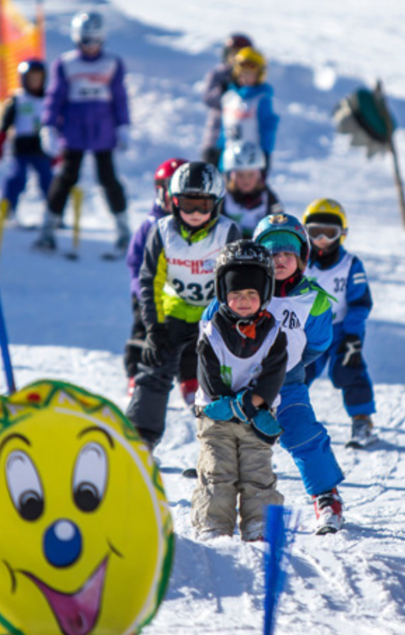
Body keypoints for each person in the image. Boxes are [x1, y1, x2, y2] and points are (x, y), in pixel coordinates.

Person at [233, 213, 346, 534]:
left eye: (288, 254)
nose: (280, 259)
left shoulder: (314, 299)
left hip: (287, 382)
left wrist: (291, 363)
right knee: (229, 438)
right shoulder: (242, 291)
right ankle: (215, 482)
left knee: (303, 433)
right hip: (240, 383)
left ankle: (326, 497)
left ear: (302, 257)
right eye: (271, 253)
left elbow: (318, 343)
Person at [126, 162, 242, 449]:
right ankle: (140, 441)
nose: (194, 214)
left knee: (222, 379)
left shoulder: (227, 232)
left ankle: (222, 450)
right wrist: (153, 328)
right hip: (175, 313)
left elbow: (236, 281)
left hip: (213, 316)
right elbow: (149, 281)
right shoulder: (162, 231)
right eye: (187, 205)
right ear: (173, 201)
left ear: (216, 204)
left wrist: (233, 323)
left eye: (202, 205)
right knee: (154, 367)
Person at [191, 240, 288, 541]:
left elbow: (273, 377)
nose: (244, 300)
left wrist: (251, 403)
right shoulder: (212, 331)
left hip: (256, 416)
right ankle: (214, 523)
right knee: (218, 471)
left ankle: (259, 524)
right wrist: (227, 404)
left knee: (256, 472)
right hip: (216, 416)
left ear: (265, 294)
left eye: (251, 294)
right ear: (223, 293)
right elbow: (208, 376)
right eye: (235, 294)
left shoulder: (274, 334)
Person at [39, 11, 131, 253]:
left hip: (103, 129)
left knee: (108, 178)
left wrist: (123, 125)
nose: (90, 47)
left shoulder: (112, 63)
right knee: (66, 176)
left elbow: (119, 97)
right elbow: (55, 97)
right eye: (85, 41)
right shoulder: (66, 63)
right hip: (74, 129)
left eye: (95, 41)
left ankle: (123, 228)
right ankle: (48, 227)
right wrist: (48, 125)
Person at [302, 199, 378, 447]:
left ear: (342, 234)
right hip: (307, 332)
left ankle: (362, 420)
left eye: (330, 232)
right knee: (295, 374)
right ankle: (278, 416)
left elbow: (360, 303)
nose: (322, 238)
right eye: (315, 232)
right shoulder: (299, 264)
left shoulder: (351, 265)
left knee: (349, 370)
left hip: (340, 331)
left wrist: (353, 336)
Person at [124, 157, 189, 395]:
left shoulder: (198, 226)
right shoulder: (151, 225)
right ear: (160, 193)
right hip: (149, 293)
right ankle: (135, 374)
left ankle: (189, 378)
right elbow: (134, 261)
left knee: (187, 336)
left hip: (183, 295)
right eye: (172, 194)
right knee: (144, 331)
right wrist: (141, 290)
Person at [0, 59, 53, 226]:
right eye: (31, 78)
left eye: (38, 78)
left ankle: (53, 212)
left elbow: (55, 124)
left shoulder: (48, 100)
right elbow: (6, 122)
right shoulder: (18, 99)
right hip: (21, 146)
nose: (35, 82)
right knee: (17, 178)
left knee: (48, 179)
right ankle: (7, 210)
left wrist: (57, 150)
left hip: (42, 146)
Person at [218, 47, 279, 174]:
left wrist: (265, 153)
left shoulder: (261, 99)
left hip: (251, 158)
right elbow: (225, 127)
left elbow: (268, 127)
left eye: (250, 73)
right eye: (242, 72)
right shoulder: (229, 96)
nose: (245, 77)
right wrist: (219, 148)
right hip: (229, 155)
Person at [200, 33, 253, 166]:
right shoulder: (218, 74)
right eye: (232, 54)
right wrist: (223, 91)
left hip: (239, 139)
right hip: (216, 136)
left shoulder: (249, 77)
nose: (234, 58)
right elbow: (208, 98)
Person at [221, 140, 283, 238]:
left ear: (259, 175)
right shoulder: (222, 198)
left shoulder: (269, 199)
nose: (246, 180)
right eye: (240, 174)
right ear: (230, 176)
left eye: (251, 174)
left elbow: (279, 227)